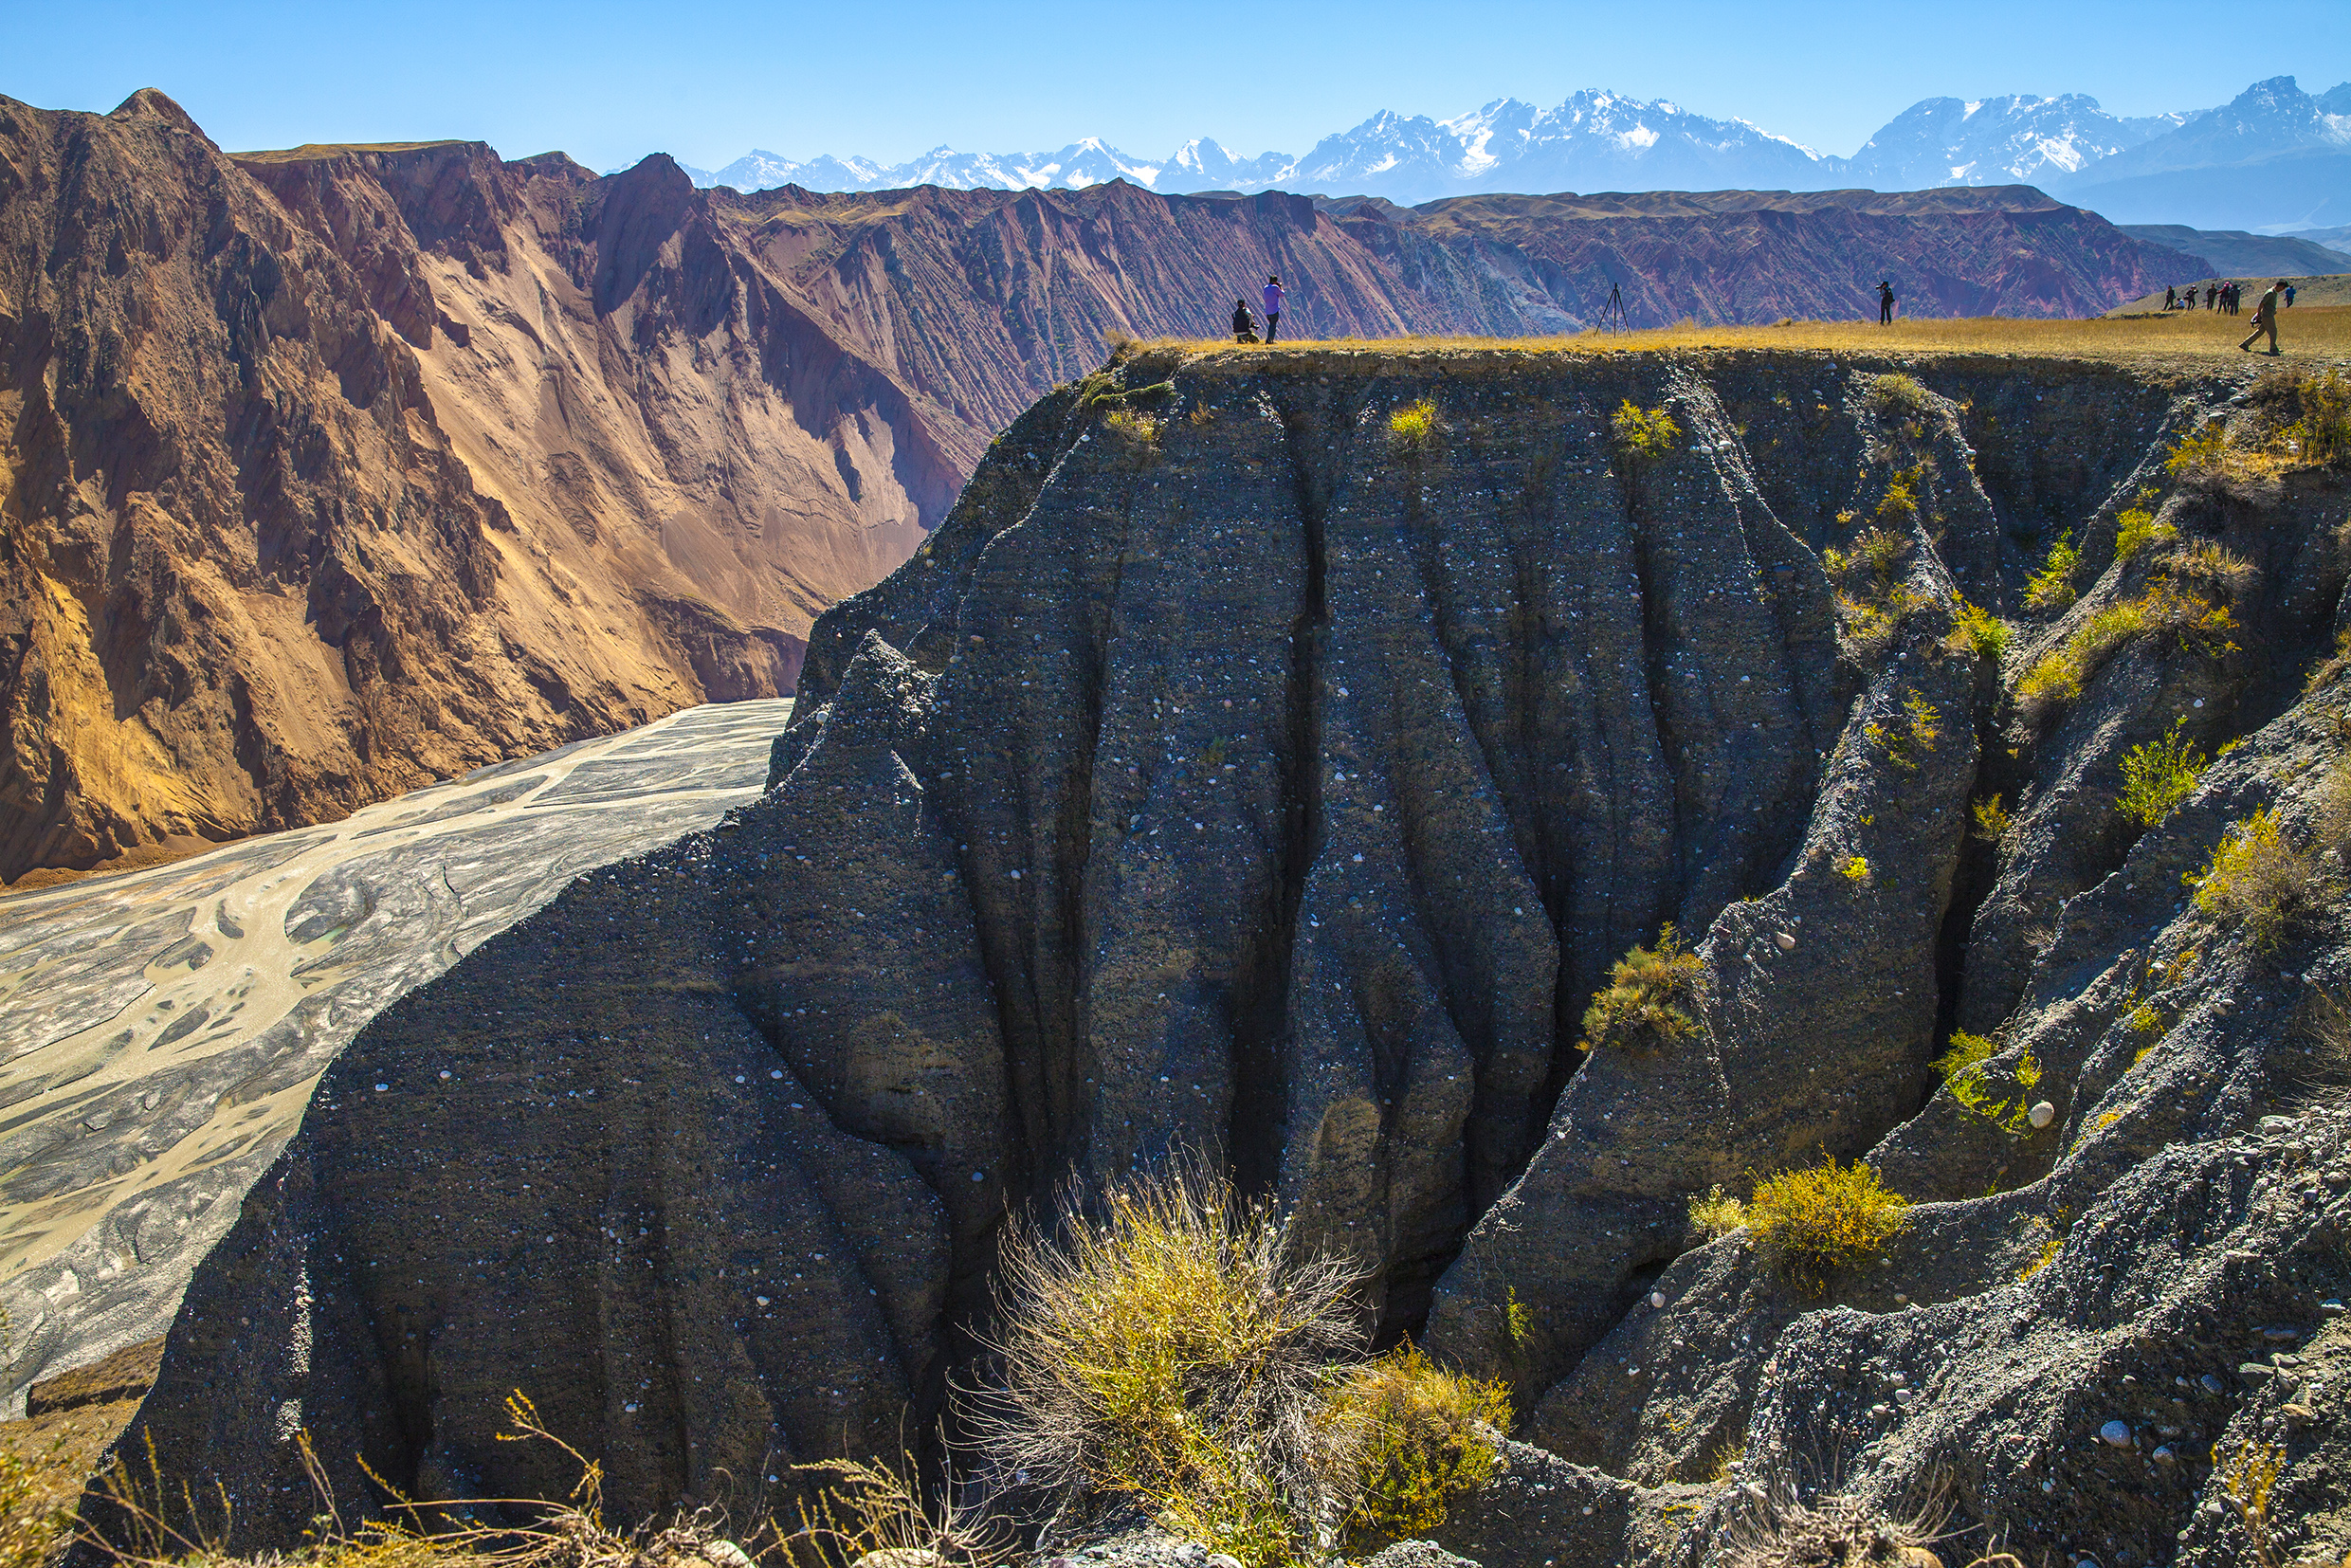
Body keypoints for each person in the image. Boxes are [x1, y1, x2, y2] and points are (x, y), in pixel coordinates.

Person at [2240, 279, 2286, 354]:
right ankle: (2273, 348)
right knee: (2273, 331)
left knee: (2260, 331)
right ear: (2279, 286)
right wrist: (2258, 314)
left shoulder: (2274, 293)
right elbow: (2262, 303)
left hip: (2269, 314)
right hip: (2267, 315)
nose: (2282, 290)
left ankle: (2245, 344)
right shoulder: (2270, 293)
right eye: (2282, 287)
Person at [1262, 276, 1285, 343]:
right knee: (1273, 326)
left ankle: (1269, 339)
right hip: (1274, 310)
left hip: (1268, 310)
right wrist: (1280, 287)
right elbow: (1282, 294)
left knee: (1271, 325)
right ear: (1275, 281)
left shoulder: (1265, 288)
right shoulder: (1275, 287)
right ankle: (1270, 340)